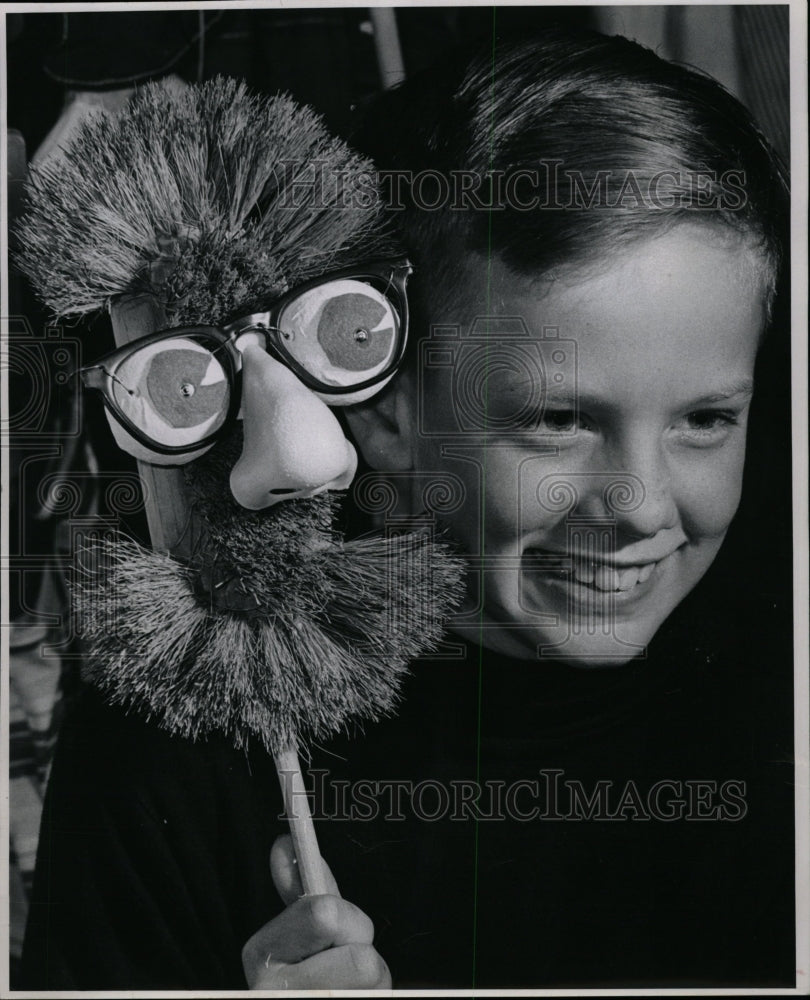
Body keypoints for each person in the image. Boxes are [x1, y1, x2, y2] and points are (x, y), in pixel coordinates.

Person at [21, 27, 793, 990]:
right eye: (556, 421)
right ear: (386, 412)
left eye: (707, 420)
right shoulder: (188, 728)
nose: (640, 506)